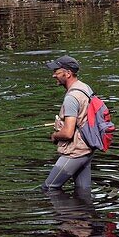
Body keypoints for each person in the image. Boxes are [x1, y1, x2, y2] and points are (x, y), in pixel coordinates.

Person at [42, 54, 97, 194]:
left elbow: (67, 133)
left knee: (49, 187)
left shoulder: (71, 98)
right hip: (88, 148)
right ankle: (83, 214)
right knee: (83, 191)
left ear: (68, 73)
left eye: (56, 71)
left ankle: (63, 216)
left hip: (75, 152)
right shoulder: (85, 88)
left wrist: (55, 135)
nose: (54, 75)